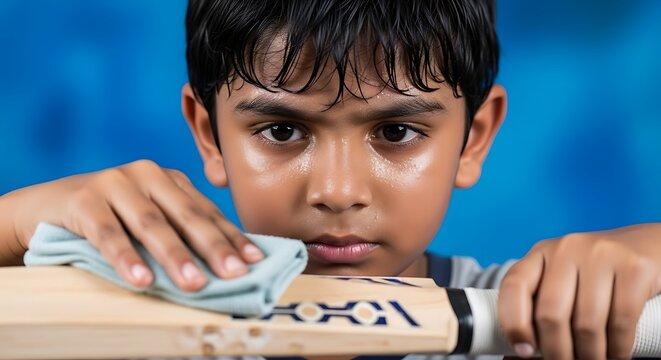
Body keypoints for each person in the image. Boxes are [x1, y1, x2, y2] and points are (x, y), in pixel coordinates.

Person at [1, 1, 659, 359]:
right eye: (282, 132)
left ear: (474, 136)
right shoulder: (127, 310)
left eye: (395, 132)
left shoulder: (542, 324)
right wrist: (13, 220)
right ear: (208, 134)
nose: (337, 191)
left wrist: (636, 261)